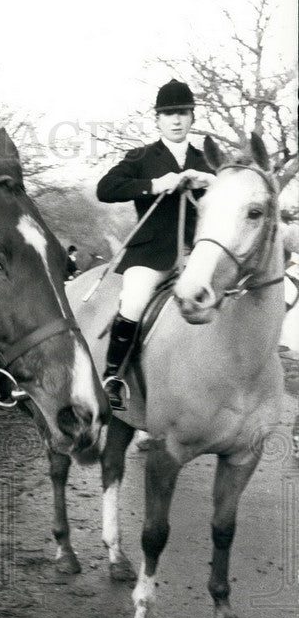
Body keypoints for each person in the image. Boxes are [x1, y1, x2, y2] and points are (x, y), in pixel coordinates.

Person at [96, 79, 215, 410]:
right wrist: (153, 184)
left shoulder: (206, 160)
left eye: (182, 113)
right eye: (168, 114)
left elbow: (231, 194)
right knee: (133, 301)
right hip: (151, 254)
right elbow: (105, 189)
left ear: (192, 117)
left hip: (197, 254)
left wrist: (211, 182)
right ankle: (113, 377)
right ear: (158, 119)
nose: (176, 120)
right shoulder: (141, 157)